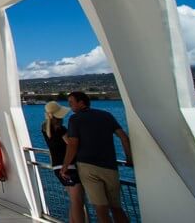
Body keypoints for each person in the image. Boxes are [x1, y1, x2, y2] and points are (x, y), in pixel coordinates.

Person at [62, 92, 133, 223]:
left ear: (81, 102)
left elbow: (73, 145)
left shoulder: (75, 119)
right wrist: (129, 159)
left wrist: (65, 167)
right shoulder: (107, 115)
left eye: (71, 102)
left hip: (88, 168)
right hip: (110, 168)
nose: (70, 105)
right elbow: (123, 137)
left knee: (101, 209)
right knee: (117, 208)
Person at [43, 101, 86, 223]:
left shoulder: (45, 129)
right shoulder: (61, 130)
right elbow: (71, 145)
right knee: (78, 202)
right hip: (69, 168)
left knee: (74, 201)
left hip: (57, 168)